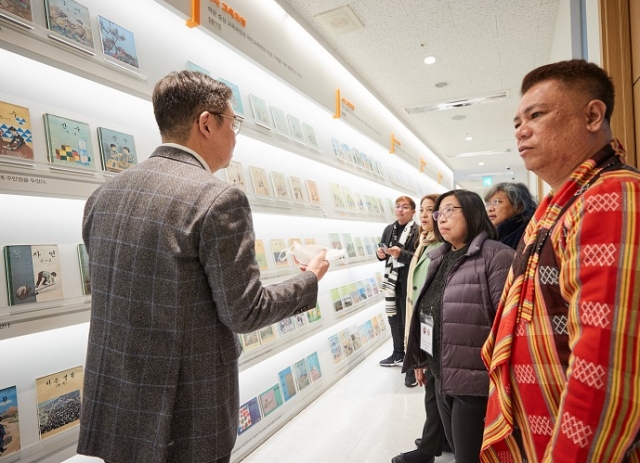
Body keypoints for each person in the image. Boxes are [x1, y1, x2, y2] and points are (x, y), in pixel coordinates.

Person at [77, 71, 329, 463]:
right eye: (234, 123)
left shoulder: (103, 195)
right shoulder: (218, 199)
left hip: (116, 403)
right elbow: (246, 310)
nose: (235, 135)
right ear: (207, 123)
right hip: (186, 413)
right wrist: (308, 279)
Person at [481, 60, 640, 463]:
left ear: (592, 115)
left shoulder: (613, 196)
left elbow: (603, 371)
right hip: (540, 432)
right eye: (517, 120)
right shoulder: (559, 204)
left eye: (536, 115)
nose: (521, 129)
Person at [403, 190, 514, 463]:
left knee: (469, 456)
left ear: (474, 212)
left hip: (475, 381)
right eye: (439, 212)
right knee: (457, 447)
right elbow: (430, 311)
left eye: (451, 210)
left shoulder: (496, 256)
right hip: (442, 374)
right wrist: (422, 359)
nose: (441, 218)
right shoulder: (440, 256)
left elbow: (508, 322)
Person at [392, 194, 448, 463]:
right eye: (423, 210)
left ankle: (429, 447)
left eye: (431, 210)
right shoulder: (425, 243)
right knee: (433, 389)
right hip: (422, 323)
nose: (425, 216)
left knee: (434, 389)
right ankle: (438, 439)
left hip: (432, 327)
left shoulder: (442, 247)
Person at [376, 196, 419, 388]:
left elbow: (419, 258)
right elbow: (382, 250)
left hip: (409, 283)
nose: (400, 210)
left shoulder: (417, 231)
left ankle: (411, 365)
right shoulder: (389, 229)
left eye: (405, 207)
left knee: (409, 323)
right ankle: (397, 353)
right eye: (398, 207)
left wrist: (401, 254)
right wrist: (380, 254)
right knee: (394, 319)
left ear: (412, 211)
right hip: (392, 283)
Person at [483, 182, 537, 249]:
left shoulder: (526, 234)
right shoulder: (494, 234)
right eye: (488, 204)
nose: (490, 209)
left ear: (518, 206)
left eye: (496, 202)